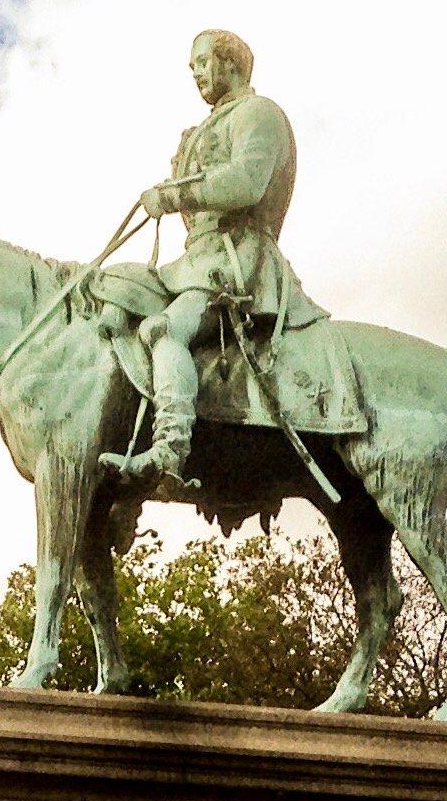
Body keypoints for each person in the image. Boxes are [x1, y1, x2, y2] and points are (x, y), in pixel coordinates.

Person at [98, 28, 326, 484]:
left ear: (231, 64)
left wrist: (174, 194)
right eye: (193, 65)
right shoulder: (206, 127)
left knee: (166, 328)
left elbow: (246, 182)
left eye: (202, 62)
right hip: (196, 261)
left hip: (237, 259)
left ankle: (170, 447)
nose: (195, 72)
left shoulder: (260, 113)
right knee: (115, 292)